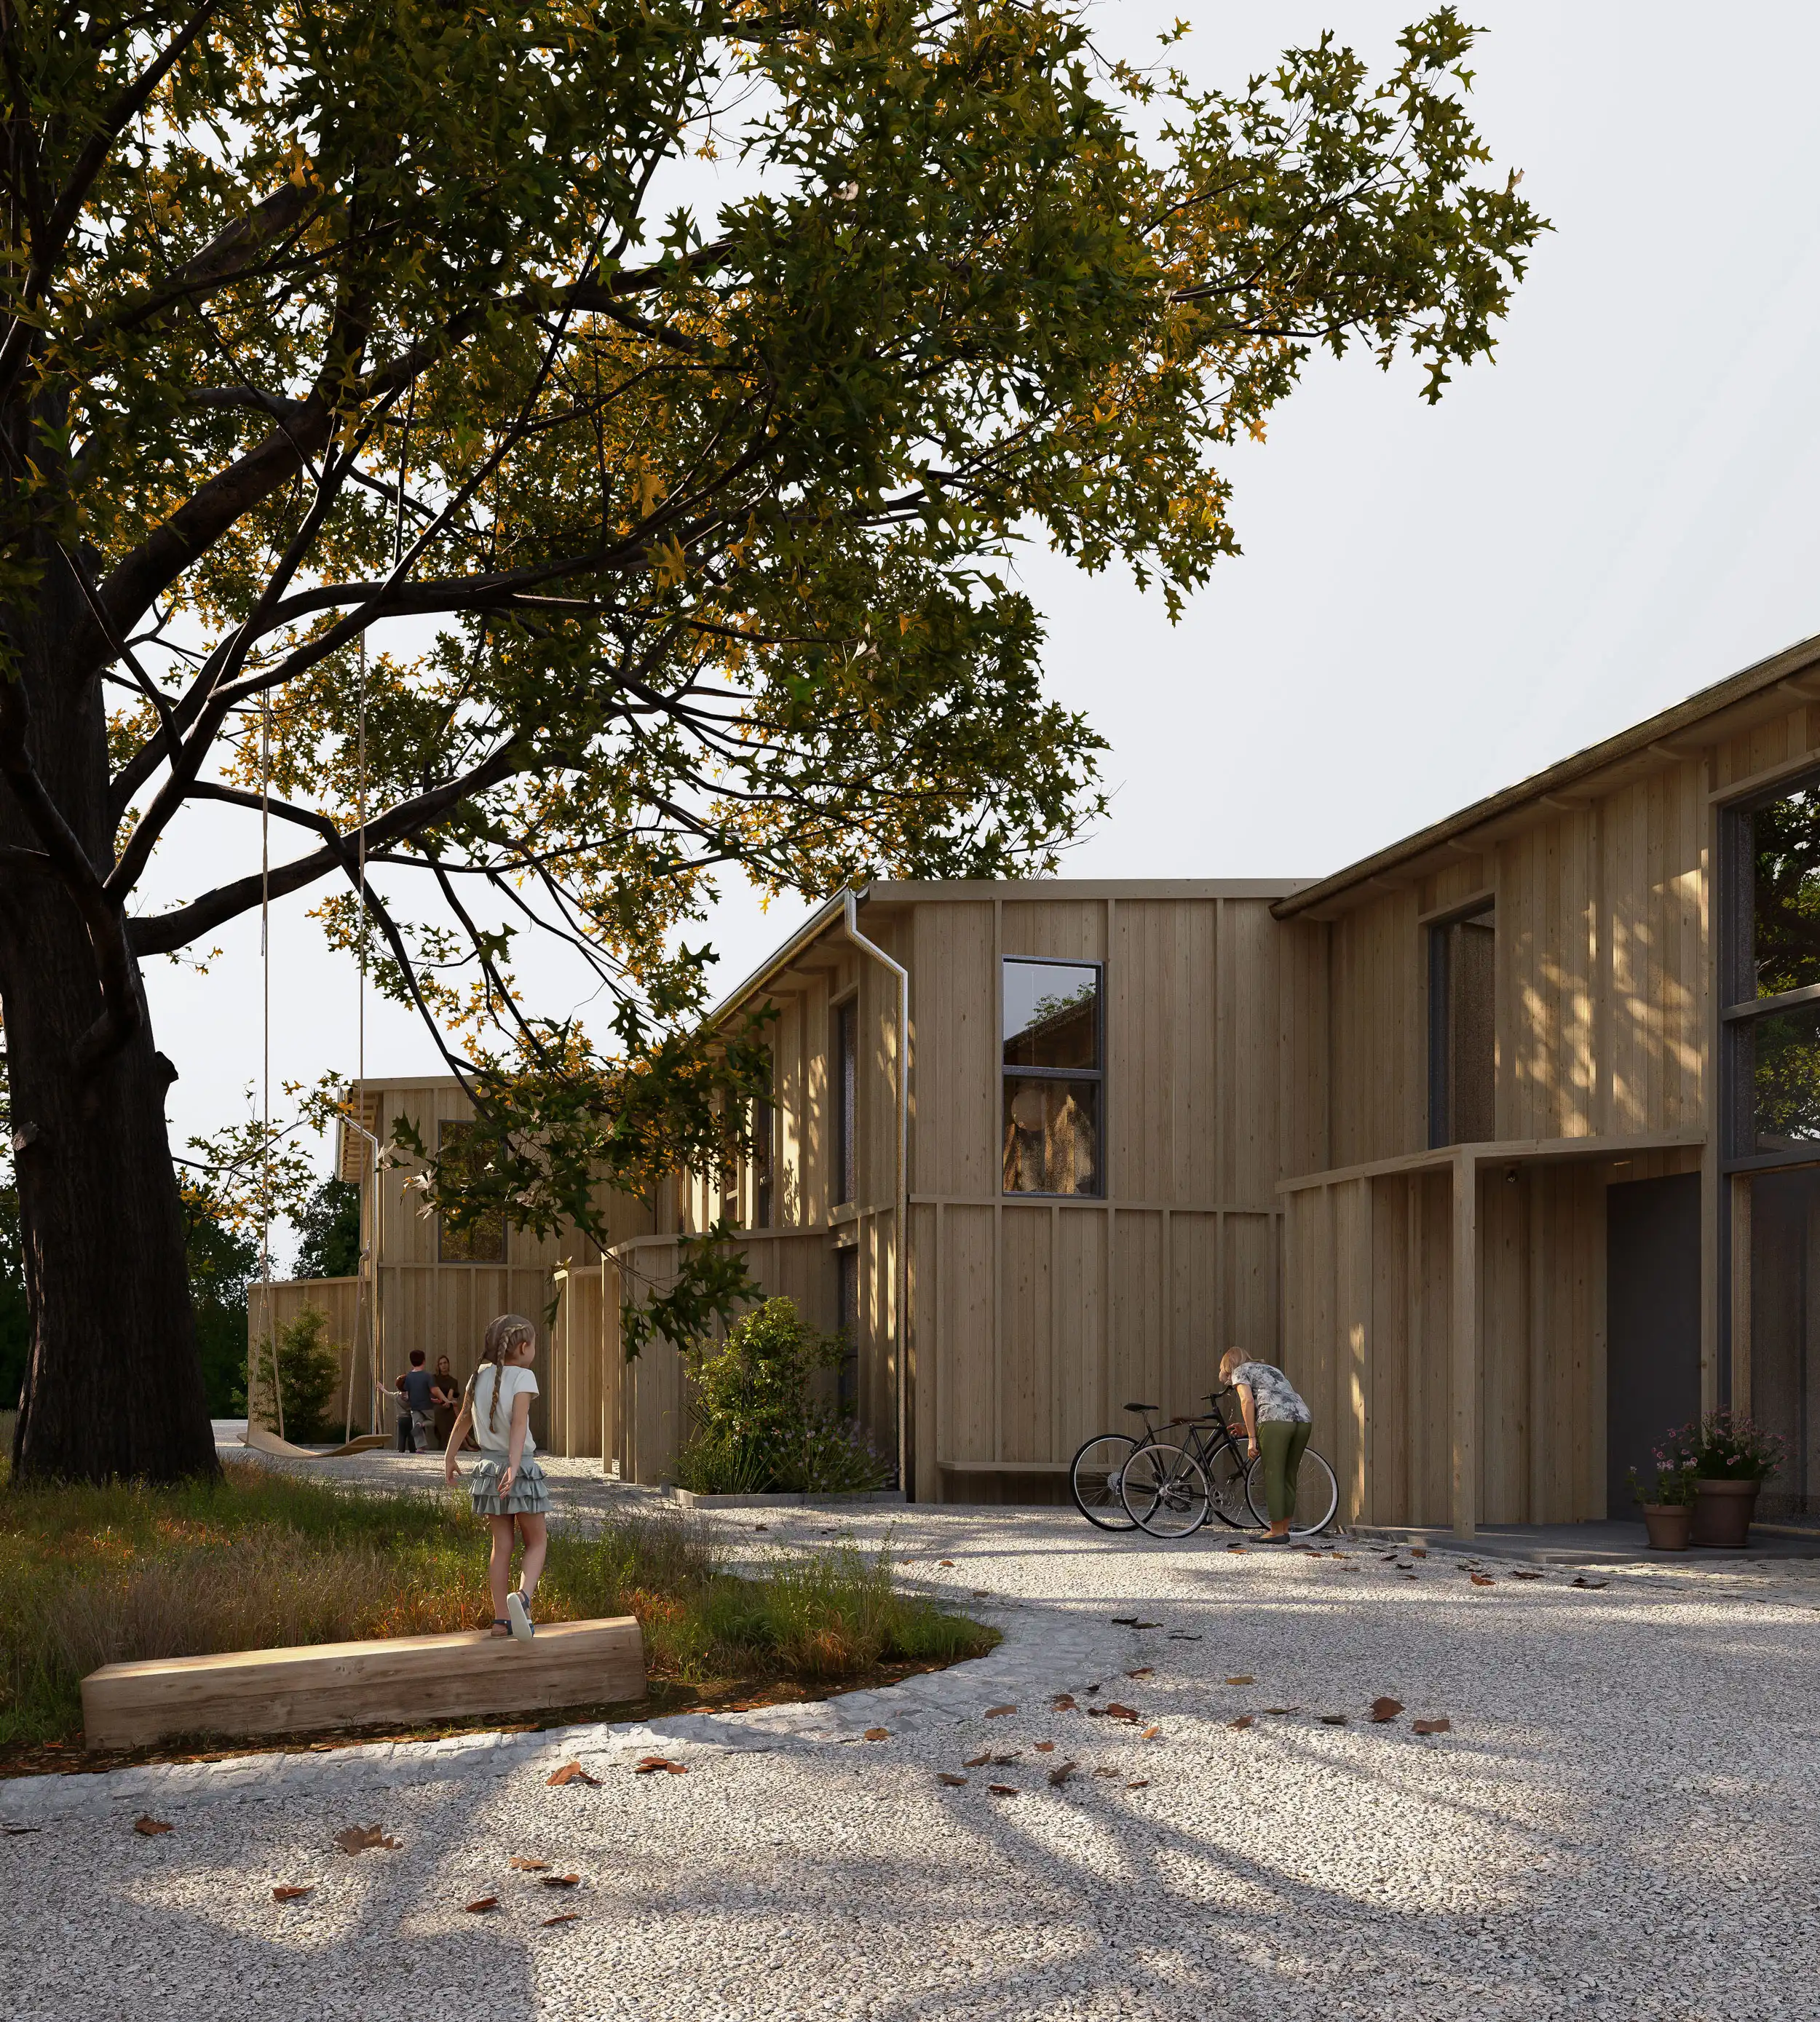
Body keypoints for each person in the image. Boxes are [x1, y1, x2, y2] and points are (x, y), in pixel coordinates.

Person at [443, 1314, 550, 1639]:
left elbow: (462, 1419)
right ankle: (523, 1598)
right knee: (537, 1542)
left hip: (488, 1471)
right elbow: (519, 1425)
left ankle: (501, 1620)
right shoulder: (524, 1377)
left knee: (501, 1545)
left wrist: (449, 1457)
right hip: (521, 1468)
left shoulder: (478, 1377)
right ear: (524, 1346)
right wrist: (516, 1467)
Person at [1220, 1346, 1312, 1544]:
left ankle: (1275, 1532)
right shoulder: (1271, 1369)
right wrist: (1247, 1428)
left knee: (1274, 1475)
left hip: (1275, 1422)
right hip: (1303, 1419)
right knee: (1289, 1475)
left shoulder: (1240, 1371)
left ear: (1229, 1366)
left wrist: (1252, 1439)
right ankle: (1284, 1529)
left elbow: (1247, 1401)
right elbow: (1276, 1400)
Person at [398, 1349, 436, 1454]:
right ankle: (422, 1424)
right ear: (424, 1361)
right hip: (426, 1405)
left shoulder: (409, 1376)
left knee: (417, 1423)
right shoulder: (427, 1376)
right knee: (431, 1422)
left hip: (414, 1406)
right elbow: (431, 1390)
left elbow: (407, 1391)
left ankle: (419, 1448)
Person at [430, 1355, 460, 1449]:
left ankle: (446, 1443)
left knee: (451, 1408)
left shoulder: (453, 1381)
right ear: (438, 1366)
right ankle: (464, 1440)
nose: (443, 1365)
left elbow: (450, 1394)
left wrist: (448, 1402)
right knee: (440, 1411)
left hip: (447, 1404)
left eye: (445, 1363)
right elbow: (435, 1392)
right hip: (435, 1404)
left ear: (448, 1364)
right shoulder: (434, 1378)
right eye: (441, 1364)